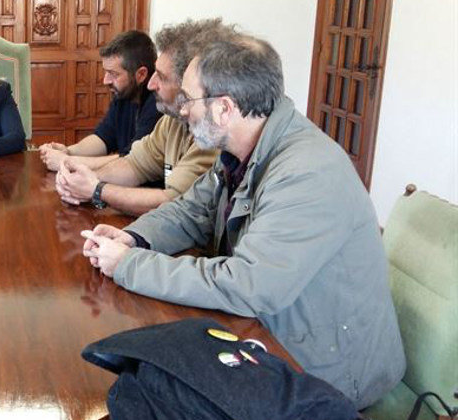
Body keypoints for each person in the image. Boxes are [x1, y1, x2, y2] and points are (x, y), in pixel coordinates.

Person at [80, 34, 405, 409]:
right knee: (143, 376)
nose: (181, 110)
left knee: (148, 392)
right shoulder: (243, 149)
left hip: (327, 367)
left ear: (224, 109)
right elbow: (192, 210)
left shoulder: (307, 173)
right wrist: (134, 239)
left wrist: (129, 266)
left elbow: (249, 286)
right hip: (272, 331)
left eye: (188, 100)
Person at [54, 19, 226, 216]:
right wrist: (83, 180)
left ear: (190, 83)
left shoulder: (213, 131)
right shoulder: (172, 121)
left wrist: (97, 190)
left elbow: (173, 202)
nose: (151, 85)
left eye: (161, 77)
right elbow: (133, 164)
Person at [39, 30, 161, 171]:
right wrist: (68, 151)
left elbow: (132, 159)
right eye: (106, 72)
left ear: (141, 74)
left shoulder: (158, 103)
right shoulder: (124, 94)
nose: (105, 80)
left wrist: (67, 162)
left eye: (113, 74)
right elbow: (103, 138)